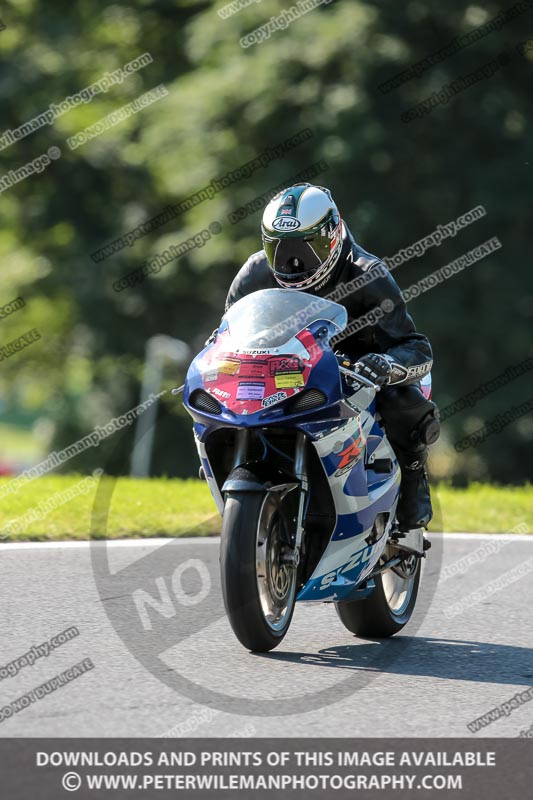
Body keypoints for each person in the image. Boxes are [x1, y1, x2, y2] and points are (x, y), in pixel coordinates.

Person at [223, 183, 440, 531]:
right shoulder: (254, 274)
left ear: (334, 233)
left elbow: (416, 347)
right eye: (278, 247)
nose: (293, 262)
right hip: (281, 369)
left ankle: (414, 485)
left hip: (356, 370)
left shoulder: (367, 273)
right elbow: (226, 336)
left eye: (309, 247)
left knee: (403, 402)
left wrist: (385, 365)